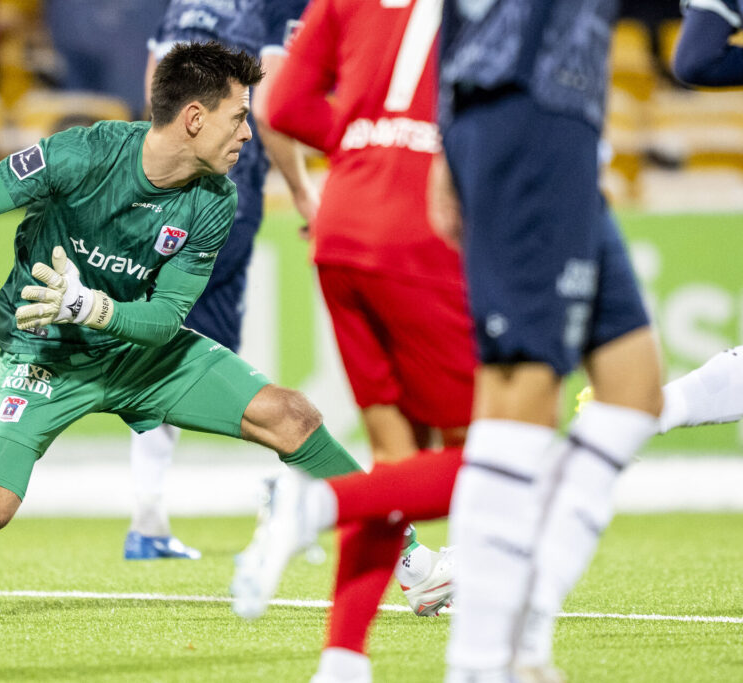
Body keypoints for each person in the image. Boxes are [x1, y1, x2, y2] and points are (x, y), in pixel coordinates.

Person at [0, 42, 373, 623]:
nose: (247, 132)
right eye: (238, 116)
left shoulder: (214, 200)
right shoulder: (82, 154)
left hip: (136, 353)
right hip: (44, 355)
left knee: (292, 416)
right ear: (192, 118)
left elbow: (161, 321)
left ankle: (415, 564)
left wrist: (91, 307)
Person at [231, 0, 471, 677]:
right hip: (418, 223)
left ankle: (342, 658)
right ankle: (317, 501)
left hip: (342, 222)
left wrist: (367, 136)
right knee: (496, 457)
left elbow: (278, 103)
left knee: (399, 463)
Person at [435, 2, 664, 681]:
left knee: (632, 391)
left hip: (551, 112)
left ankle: (523, 631)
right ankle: (478, 663)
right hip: (528, 99)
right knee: (520, 391)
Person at [120, 0, 322, 560]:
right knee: (208, 361)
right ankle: (291, 496)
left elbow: (156, 89)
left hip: (165, 191)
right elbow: (275, 105)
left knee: (171, 350)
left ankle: (149, 518)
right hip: (225, 196)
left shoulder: (184, 4)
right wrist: (304, 193)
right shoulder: (281, 6)